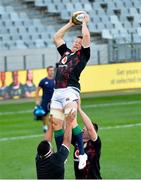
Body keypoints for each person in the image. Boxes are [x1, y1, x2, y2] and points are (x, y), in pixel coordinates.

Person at [50, 13, 90, 169]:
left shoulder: (83, 56)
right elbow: (57, 37)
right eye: (74, 41)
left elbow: (86, 37)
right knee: (56, 124)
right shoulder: (66, 53)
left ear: (82, 46)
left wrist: (84, 23)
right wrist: (70, 24)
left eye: (78, 42)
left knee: (71, 119)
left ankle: (81, 153)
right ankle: (62, 154)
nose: (75, 43)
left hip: (70, 91)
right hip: (57, 91)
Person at [36, 110, 76, 179]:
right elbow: (67, 141)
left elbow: (46, 141)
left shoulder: (39, 159)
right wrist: (69, 123)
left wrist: (51, 124)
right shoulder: (56, 161)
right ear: (50, 151)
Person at [73, 101, 102, 179]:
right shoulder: (77, 141)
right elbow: (67, 127)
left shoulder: (95, 144)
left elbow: (90, 129)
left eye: (85, 128)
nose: (83, 128)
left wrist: (79, 109)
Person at [35, 66, 55, 132]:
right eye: (50, 70)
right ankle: (45, 126)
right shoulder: (43, 81)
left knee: (54, 114)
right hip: (45, 101)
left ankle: (53, 125)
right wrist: (37, 100)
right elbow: (37, 90)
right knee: (44, 115)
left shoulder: (56, 80)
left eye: (52, 70)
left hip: (54, 101)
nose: (52, 72)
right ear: (47, 71)